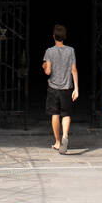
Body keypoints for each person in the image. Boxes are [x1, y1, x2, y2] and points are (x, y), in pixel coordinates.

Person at [42, 24, 78, 153]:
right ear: (65, 36)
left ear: (53, 36)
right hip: (67, 87)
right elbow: (74, 70)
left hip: (53, 88)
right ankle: (65, 136)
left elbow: (48, 72)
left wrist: (44, 66)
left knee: (55, 114)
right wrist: (76, 88)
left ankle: (58, 142)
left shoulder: (49, 51)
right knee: (66, 114)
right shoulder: (71, 50)